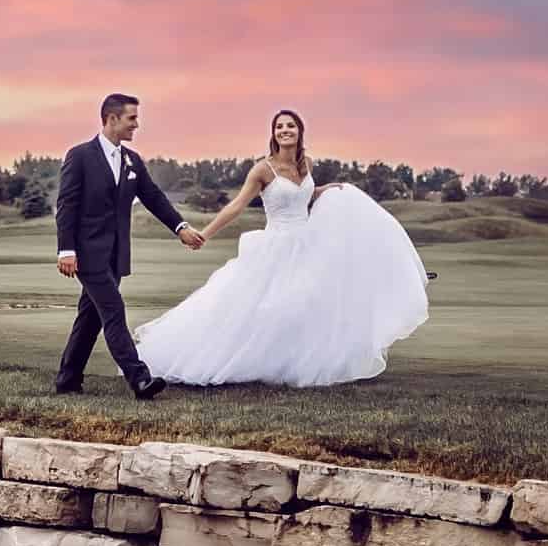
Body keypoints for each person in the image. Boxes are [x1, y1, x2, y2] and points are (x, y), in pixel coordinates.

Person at [135, 108, 428, 388]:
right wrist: (205, 234)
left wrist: (324, 190)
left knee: (308, 304)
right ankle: (240, 359)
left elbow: (303, 196)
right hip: (276, 245)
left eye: (290, 126)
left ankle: (297, 362)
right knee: (268, 308)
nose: (285, 130)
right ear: (273, 134)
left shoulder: (306, 163)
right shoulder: (263, 170)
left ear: (300, 131)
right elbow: (238, 205)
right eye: (279, 127)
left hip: (308, 243)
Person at [53, 92, 206, 398]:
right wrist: (66, 250)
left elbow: (153, 197)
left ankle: (67, 380)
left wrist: (180, 227)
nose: (136, 124)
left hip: (117, 255)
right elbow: (66, 205)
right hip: (87, 254)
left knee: (90, 317)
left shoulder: (132, 160)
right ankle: (140, 379)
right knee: (113, 310)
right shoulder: (79, 156)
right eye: (131, 118)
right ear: (112, 119)